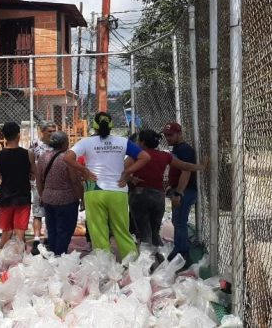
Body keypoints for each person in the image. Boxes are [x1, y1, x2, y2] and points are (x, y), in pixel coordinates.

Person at [63, 111, 151, 260]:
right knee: (122, 230)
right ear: (111, 125)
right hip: (118, 190)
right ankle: (132, 266)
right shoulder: (122, 141)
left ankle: (104, 266)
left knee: (98, 231)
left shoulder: (86, 142)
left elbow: (67, 157)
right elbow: (145, 157)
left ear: (94, 126)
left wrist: (84, 170)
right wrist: (127, 172)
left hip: (94, 191)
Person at [128, 129, 206, 258]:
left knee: (144, 232)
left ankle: (148, 262)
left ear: (141, 142)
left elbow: (123, 169)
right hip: (158, 197)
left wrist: (130, 178)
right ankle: (160, 257)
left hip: (139, 195)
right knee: (155, 230)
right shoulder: (165, 156)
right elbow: (185, 166)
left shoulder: (137, 154)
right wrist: (200, 167)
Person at [37, 131, 83, 256]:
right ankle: (60, 255)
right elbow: (75, 181)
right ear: (65, 144)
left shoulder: (43, 157)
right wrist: (81, 197)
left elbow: (38, 180)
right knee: (65, 229)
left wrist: (42, 195)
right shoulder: (68, 158)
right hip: (66, 199)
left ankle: (53, 253)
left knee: (52, 229)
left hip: (48, 198)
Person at [162, 122, 200, 265]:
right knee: (177, 221)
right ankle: (180, 250)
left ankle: (182, 253)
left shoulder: (184, 149)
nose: (168, 138)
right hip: (180, 189)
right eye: (166, 135)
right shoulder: (178, 148)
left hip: (186, 190)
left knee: (180, 222)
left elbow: (186, 171)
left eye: (170, 135)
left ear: (179, 133)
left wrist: (179, 193)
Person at [0, 122, 36, 249]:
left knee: (6, 232)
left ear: (4, 136)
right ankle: (21, 261)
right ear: (18, 135)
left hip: (5, 197)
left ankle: (2, 259)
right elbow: (33, 175)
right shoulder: (28, 154)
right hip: (22, 196)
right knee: (20, 232)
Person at [30, 121, 56, 254]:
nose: (52, 134)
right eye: (49, 131)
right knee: (38, 212)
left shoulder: (56, 145)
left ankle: (48, 237)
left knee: (51, 211)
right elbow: (30, 160)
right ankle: (36, 239)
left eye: (53, 131)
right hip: (38, 183)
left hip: (53, 183)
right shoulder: (35, 144)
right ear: (42, 131)